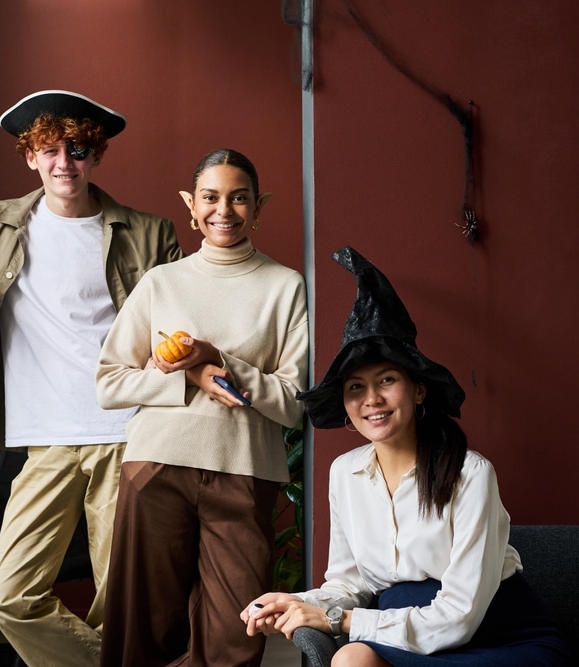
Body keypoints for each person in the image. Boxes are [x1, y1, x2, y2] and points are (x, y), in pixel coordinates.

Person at [0, 89, 184, 666]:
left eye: (80, 148)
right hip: (41, 439)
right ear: (30, 156)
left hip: (127, 434)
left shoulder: (147, 232)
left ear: (97, 155)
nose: (65, 162)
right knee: (10, 596)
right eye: (50, 149)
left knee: (124, 598)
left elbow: (182, 320)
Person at [243, 246, 571, 666]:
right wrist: (293, 601)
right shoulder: (345, 473)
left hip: (498, 636)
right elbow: (349, 581)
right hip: (404, 627)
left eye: (387, 380)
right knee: (350, 660)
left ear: (418, 390)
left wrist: (339, 619)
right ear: (345, 404)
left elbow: (460, 617)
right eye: (356, 387)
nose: (372, 399)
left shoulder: (471, 474)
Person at [94, 148, 309, 666]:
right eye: (211, 198)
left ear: (259, 207)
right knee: (141, 633)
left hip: (244, 475)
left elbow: (294, 403)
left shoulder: (286, 287)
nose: (224, 211)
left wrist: (222, 361)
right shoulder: (161, 283)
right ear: (191, 205)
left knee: (237, 638)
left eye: (240, 199)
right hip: (157, 467)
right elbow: (109, 384)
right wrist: (188, 378)